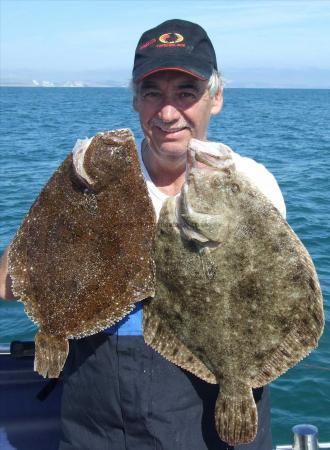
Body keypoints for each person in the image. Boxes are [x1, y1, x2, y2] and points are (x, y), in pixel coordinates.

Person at [0, 19, 286, 450]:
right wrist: (63, 196)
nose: (168, 113)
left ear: (216, 98)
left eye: (186, 93)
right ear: (135, 101)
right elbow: (9, 282)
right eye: (153, 93)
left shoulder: (251, 184)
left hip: (205, 409)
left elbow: (274, 300)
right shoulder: (94, 178)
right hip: (95, 417)